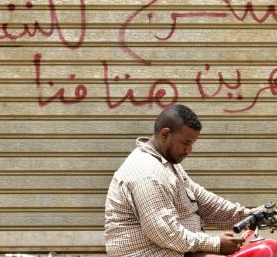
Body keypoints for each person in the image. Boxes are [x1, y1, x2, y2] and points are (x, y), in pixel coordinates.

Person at [105, 104, 259, 257]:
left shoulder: (166, 163)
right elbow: (165, 233)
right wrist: (215, 244)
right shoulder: (147, 173)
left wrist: (250, 216)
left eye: (192, 144)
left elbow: (205, 202)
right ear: (165, 134)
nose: (189, 150)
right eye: (186, 143)